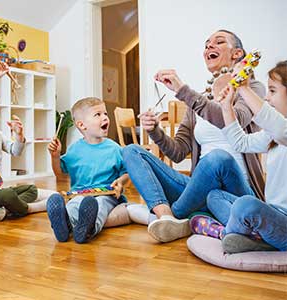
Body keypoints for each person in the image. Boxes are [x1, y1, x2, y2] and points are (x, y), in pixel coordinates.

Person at [123, 29, 266, 243]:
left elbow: (237, 120)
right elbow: (178, 152)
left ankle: (179, 215)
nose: (209, 46)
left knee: (218, 158)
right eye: (207, 44)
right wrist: (155, 130)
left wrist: (182, 90)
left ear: (237, 53)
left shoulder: (252, 89)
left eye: (218, 42)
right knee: (131, 151)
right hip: (198, 188)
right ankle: (167, 217)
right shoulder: (198, 100)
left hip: (236, 190)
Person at [191, 60, 287, 253]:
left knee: (246, 205)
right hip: (272, 214)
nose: (267, 98)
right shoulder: (274, 135)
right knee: (215, 195)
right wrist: (227, 107)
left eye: (273, 91)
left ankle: (227, 233)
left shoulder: (280, 130)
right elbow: (241, 143)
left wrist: (243, 87)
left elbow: (277, 125)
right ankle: (252, 236)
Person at [46, 97, 129, 244]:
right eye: (98, 115)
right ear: (82, 125)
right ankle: (65, 226)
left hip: (108, 194)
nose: (104, 117)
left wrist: (121, 182)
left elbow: (126, 172)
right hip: (79, 194)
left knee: (100, 205)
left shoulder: (114, 148)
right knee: (73, 205)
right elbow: (59, 173)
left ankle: (89, 229)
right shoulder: (74, 150)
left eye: (105, 114)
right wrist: (55, 156)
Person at [0, 62, 55, 221]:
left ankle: (0, 210)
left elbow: (15, 151)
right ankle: (29, 209)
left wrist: (19, 136)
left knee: (30, 189)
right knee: (8, 194)